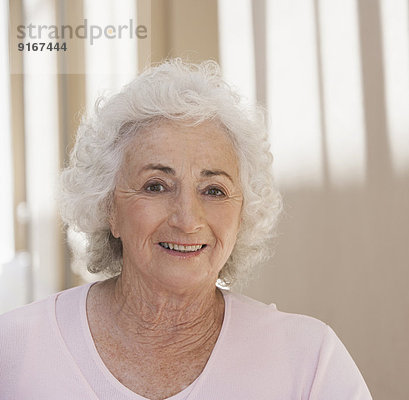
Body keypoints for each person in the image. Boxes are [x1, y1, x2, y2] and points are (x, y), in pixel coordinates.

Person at [0, 59, 372, 400]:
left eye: (214, 190)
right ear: (108, 207)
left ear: (243, 216)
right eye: (156, 186)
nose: (187, 218)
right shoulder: (13, 347)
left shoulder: (309, 360)